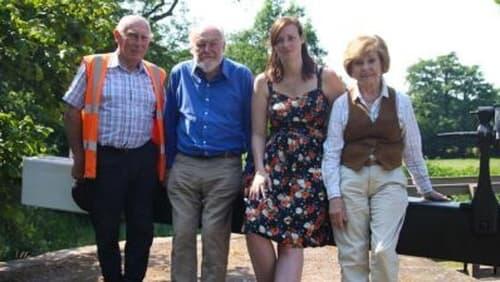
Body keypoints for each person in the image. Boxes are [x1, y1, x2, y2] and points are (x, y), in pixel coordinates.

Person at [321, 34, 449, 282]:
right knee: (352, 255)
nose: (366, 68)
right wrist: (334, 197)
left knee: (383, 250)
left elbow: (412, 149)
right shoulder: (342, 104)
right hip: (351, 178)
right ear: (351, 68)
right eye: (359, 63)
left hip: (388, 178)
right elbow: (332, 153)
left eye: (371, 60)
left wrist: (426, 188)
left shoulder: (401, 101)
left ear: (382, 63)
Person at [63, 15, 166, 282]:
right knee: (106, 228)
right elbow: (72, 111)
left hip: (143, 160)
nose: (138, 42)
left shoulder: (157, 73)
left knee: (142, 229)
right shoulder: (94, 66)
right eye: (133, 35)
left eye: (144, 38)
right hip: (106, 159)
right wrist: (79, 158)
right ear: (117, 36)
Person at [243, 17, 345, 282]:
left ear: (301, 39)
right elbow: (257, 132)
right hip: (272, 166)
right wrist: (259, 171)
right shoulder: (263, 82)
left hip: (310, 170)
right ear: (273, 46)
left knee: (290, 240)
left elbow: (348, 120)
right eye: (279, 40)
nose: (286, 44)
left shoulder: (326, 78)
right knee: (254, 227)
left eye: (290, 37)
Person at [164, 24, 253, 282]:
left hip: (225, 167)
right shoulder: (179, 73)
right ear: (192, 48)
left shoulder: (242, 76)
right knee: (182, 234)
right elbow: (169, 122)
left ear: (223, 45)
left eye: (213, 43)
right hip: (184, 164)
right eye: (200, 44)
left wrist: (250, 170)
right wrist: (168, 165)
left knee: (215, 233)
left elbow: (250, 125)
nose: (207, 50)